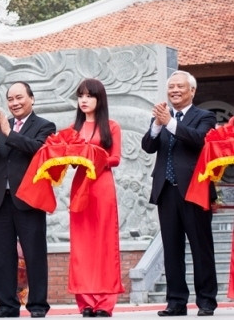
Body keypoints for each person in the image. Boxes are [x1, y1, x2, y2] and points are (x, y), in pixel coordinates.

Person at [141, 70, 217, 317]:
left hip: (195, 190)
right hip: (166, 191)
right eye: (171, 87)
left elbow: (198, 140)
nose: (174, 90)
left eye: (179, 87)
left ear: (192, 91)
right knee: (172, 250)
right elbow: (148, 146)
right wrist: (156, 125)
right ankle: (176, 302)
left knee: (200, 248)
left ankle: (206, 301)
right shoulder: (163, 118)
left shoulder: (205, 116)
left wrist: (170, 123)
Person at [0, 82, 55, 319]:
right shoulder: (2, 126)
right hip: (1, 199)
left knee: (34, 253)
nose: (14, 103)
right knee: (1, 255)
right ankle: (7, 306)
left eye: (19, 98)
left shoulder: (44, 125)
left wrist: (9, 134)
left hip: (29, 199)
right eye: (10, 99)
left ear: (32, 98)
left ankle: (38, 306)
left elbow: (39, 150)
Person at [66, 79, 124, 317]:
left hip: (102, 186)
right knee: (81, 246)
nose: (84, 100)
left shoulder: (112, 126)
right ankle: (86, 302)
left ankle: (104, 303)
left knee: (104, 243)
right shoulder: (73, 128)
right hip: (80, 186)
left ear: (99, 99)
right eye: (80, 96)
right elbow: (68, 160)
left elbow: (116, 158)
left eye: (89, 96)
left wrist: (92, 157)